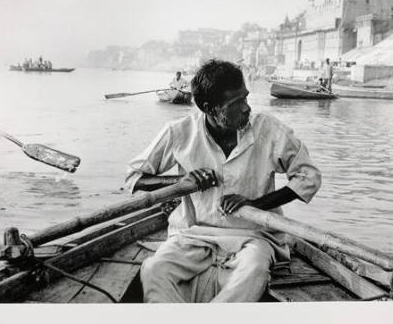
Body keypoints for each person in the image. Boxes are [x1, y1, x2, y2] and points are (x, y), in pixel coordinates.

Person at [126, 59, 321, 303]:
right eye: (236, 102)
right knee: (153, 270)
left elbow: (308, 177)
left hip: (253, 237)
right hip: (193, 235)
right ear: (210, 108)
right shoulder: (180, 132)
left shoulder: (268, 129)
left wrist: (254, 204)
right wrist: (181, 181)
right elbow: (134, 177)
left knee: (254, 270)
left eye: (246, 97)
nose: (246, 108)